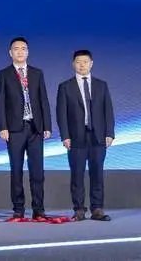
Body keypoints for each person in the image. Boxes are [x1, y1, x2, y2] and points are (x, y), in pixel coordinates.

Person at [0, 37, 52, 220]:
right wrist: (3, 127)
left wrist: (47, 125)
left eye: (23, 48)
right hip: (15, 129)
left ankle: (39, 209)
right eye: (16, 49)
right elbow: (0, 102)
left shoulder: (37, 73)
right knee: (16, 170)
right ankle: (18, 209)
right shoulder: (4, 74)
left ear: (27, 52)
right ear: (10, 53)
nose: (20, 52)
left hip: (35, 128)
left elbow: (43, 100)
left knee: (38, 171)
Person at [56, 49, 114, 221]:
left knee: (97, 173)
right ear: (73, 64)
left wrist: (109, 133)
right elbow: (61, 114)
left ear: (91, 64)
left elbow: (108, 111)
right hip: (76, 137)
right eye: (78, 62)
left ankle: (97, 209)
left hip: (98, 137)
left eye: (85, 62)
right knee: (77, 174)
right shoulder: (65, 87)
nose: (82, 65)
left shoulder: (101, 85)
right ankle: (79, 209)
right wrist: (65, 136)